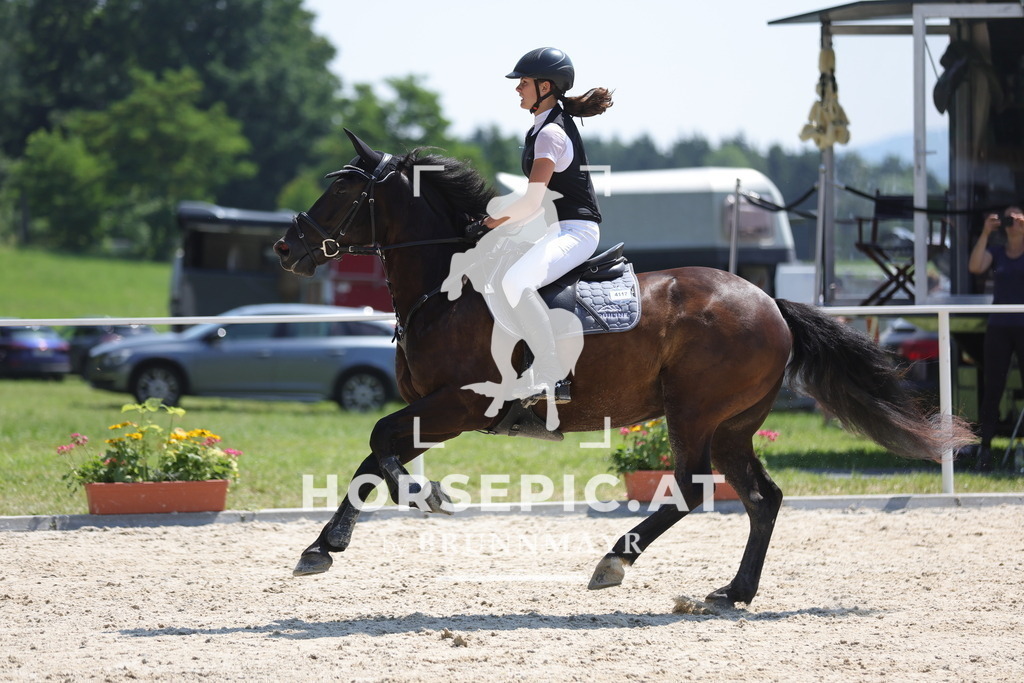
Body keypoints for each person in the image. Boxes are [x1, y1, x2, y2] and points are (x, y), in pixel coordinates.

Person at [465, 47, 614, 406]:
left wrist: (490, 222)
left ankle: (550, 374)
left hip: (576, 231)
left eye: (524, 83)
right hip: (557, 230)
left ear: (545, 86)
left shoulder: (551, 134)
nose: (517, 88)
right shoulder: (542, 127)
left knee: (515, 281)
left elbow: (532, 201)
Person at [967, 205, 1024, 470]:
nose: (1013, 223)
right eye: (1008, 219)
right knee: (993, 389)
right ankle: (985, 450)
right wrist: (985, 233)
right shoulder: (998, 253)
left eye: (1017, 218)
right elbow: (975, 266)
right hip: (1000, 325)